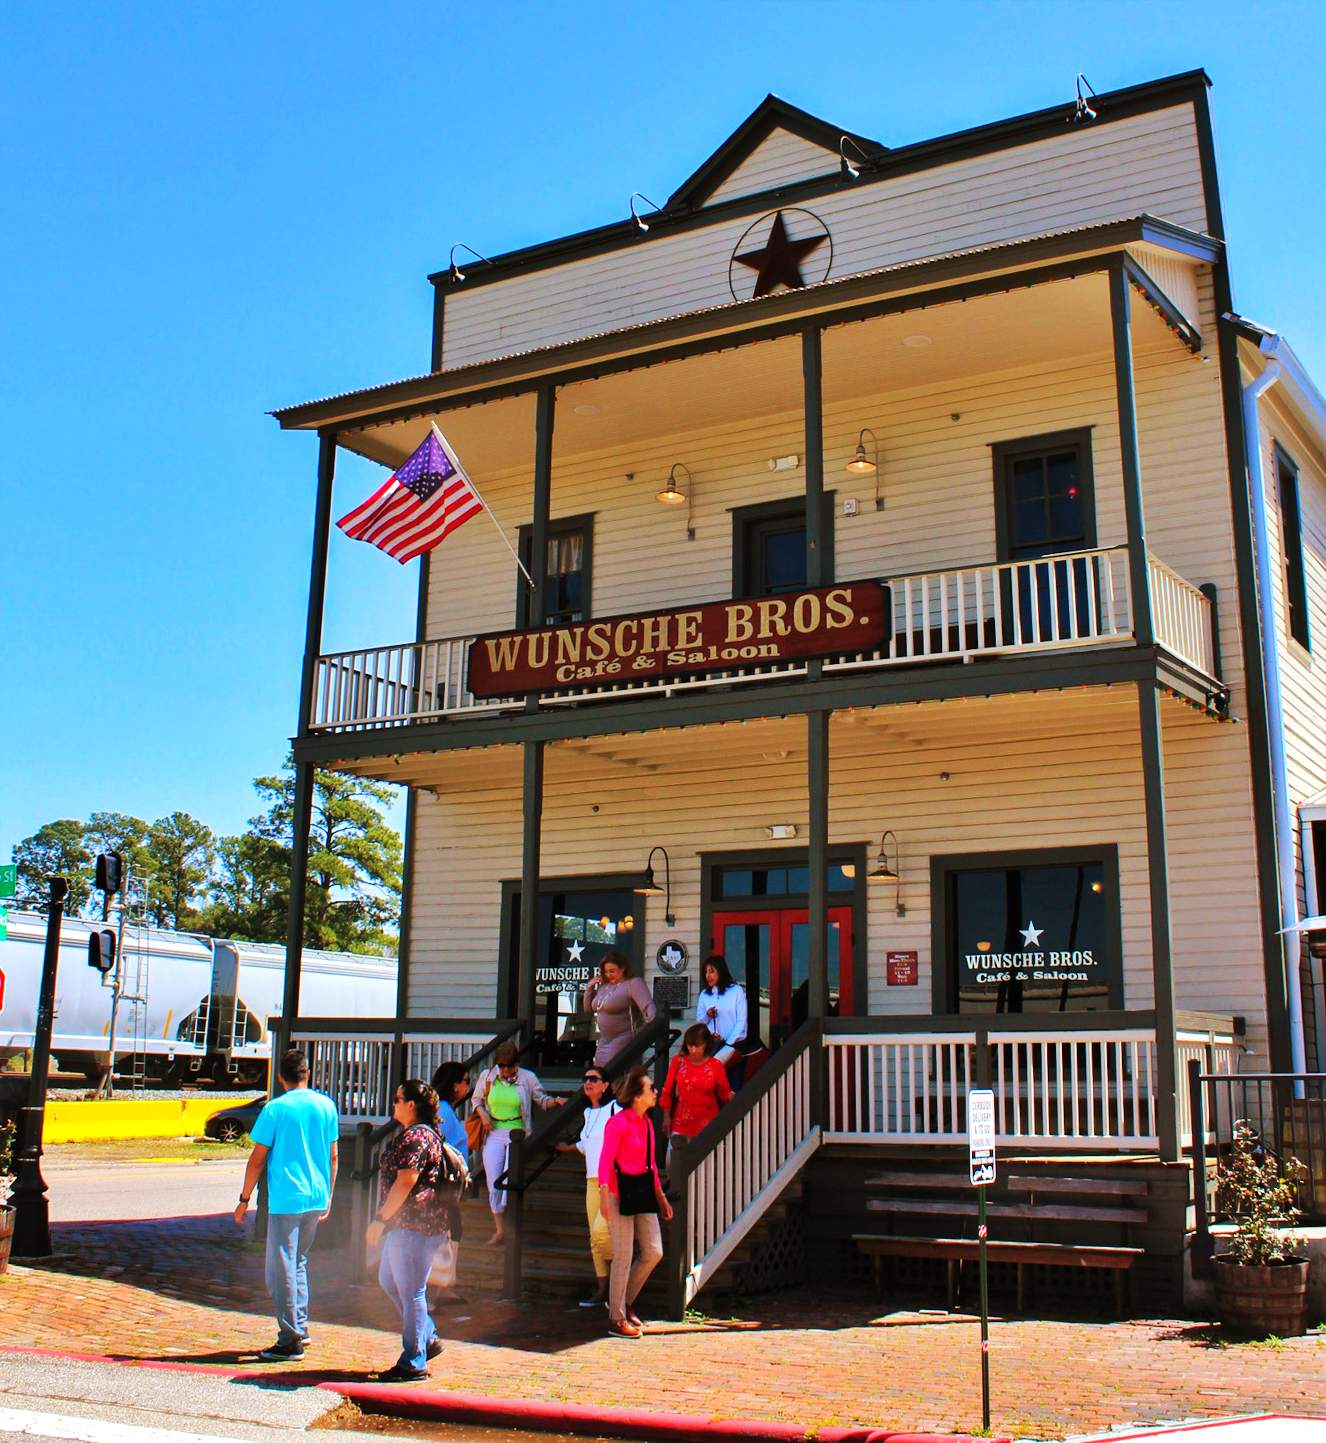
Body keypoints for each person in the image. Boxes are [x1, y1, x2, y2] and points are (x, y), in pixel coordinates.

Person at [234, 1048, 338, 1362]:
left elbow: (257, 1159)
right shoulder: (326, 1105)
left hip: (287, 1196)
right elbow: (333, 1156)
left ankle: (289, 1338)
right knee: (299, 1261)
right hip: (316, 1194)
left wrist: (244, 1199)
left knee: (280, 1268)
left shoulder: (275, 1109)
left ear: (280, 1077)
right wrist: (329, 1195)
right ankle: (300, 1327)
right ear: (308, 1074)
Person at [365, 1079, 449, 1382]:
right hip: (406, 1225)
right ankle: (427, 1336)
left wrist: (380, 1220)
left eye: (397, 1099)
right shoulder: (420, 1133)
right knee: (389, 1280)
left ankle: (413, 1362)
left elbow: (406, 1181)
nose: (394, 1104)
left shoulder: (417, 1136)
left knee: (412, 1292)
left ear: (411, 1105)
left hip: (415, 1226)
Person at [597, 1066, 672, 1339]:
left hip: (642, 1192)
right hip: (618, 1193)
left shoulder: (647, 1123)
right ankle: (616, 1317)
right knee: (624, 1254)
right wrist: (604, 1197)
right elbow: (605, 1160)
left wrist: (661, 1197)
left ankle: (623, 1300)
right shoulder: (617, 1123)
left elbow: (650, 1164)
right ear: (637, 1095)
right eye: (651, 1088)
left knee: (653, 1251)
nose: (655, 1091)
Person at [470, 1040, 563, 1246]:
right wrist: (484, 1116)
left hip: (517, 1133)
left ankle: (512, 1228)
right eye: (501, 1066)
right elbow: (476, 1100)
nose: (505, 1070)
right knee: (494, 1182)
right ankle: (500, 1229)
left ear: (516, 1064)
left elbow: (542, 1100)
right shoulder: (488, 1076)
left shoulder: (527, 1078)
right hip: (494, 1132)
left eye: (509, 1065)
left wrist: (555, 1101)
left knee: (509, 1179)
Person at [556, 1065, 620, 1308]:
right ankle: (603, 1289)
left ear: (606, 1085)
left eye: (594, 1079)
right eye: (585, 1079)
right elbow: (587, 1143)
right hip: (591, 1179)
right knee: (594, 1236)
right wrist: (568, 1148)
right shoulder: (587, 1113)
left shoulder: (614, 1109)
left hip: (611, 1179)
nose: (588, 1082)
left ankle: (622, 1269)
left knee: (602, 1231)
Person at [428, 1060, 471, 1302]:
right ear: (454, 1085)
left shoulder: (446, 1110)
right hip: (445, 1182)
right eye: (465, 1081)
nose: (467, 1086)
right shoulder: (443, 1111)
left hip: (451, 1182)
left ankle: (444, 1286)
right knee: (448, 1231)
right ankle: (437, 1288)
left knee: (453, 1229)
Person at [660, 1022, 733, 1157]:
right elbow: (667, 1091)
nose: (693, 1050)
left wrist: (733, 1096)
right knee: (675, 1161)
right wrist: (666, 1116)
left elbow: (724, 1093)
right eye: (690, 1045)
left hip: (708, 1122)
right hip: (682, 1121)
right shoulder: (678, 1062)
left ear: (706, 1044)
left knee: (705, 1162)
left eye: (697, 1046)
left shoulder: (715, 1065)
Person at [583, 951, 657, 1071]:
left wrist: (649, 1030)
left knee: (613, 1071)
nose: (608, 975)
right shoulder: (604, 987)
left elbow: (648, 1006)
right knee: (600, 1075)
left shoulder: (633, 984)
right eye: (606, 972)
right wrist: (589, 988)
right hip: (604, 1039)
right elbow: (587, 1009)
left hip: (622, 1037)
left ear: (622, 968)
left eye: (612, 971)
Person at [696, 954, 748, 1082]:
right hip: (712, 1046)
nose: (708, 976)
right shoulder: (705, 995)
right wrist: (708, 1015)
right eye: (706, 972)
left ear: (721, 971)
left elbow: (742, 1020)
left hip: (735, 1046)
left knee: (733, 1085)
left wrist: (728, 1042)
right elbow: (700, 1022)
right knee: (713, 1084)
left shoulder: (736, 991)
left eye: (711, 971)